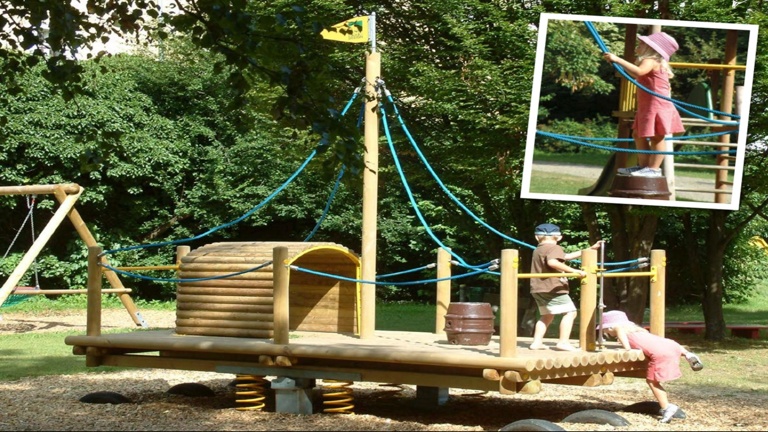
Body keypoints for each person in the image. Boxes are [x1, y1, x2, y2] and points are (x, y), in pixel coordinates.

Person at [597, 310, 704, 424]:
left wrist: (622, 346)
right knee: (666, 347)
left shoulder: (620, 330)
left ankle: (666, 408)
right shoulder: (638, 331)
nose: (605, 332)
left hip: (660, 354)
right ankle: (688, 354)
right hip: (673, 345)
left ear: (611, 327)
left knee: (652, 381)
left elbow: (627, 348)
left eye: (605, 329)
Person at [602, 31, 686, 178]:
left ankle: (653, 169)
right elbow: (637, 74)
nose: (638, 45)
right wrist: (616, 63)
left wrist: (618, 59)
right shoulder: (653, 62)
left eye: (642, 43)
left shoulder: (650, 60)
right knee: (638, 134)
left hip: (657, 106)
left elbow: (639, 72)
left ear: (651, 48)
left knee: (657, 137)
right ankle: (643, 166)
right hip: (648, 106)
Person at [529, 223, 602, 351]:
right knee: (570, 312)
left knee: (547, 315)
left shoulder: (538, 249)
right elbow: (553, 262)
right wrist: (574, 271)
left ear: (537, 237)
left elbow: (566, 257)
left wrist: (590, 249)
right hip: (552, 287)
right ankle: (563, 342)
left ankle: (536, 342)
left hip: (537, 288)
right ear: (559, 237)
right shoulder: (554, 248)